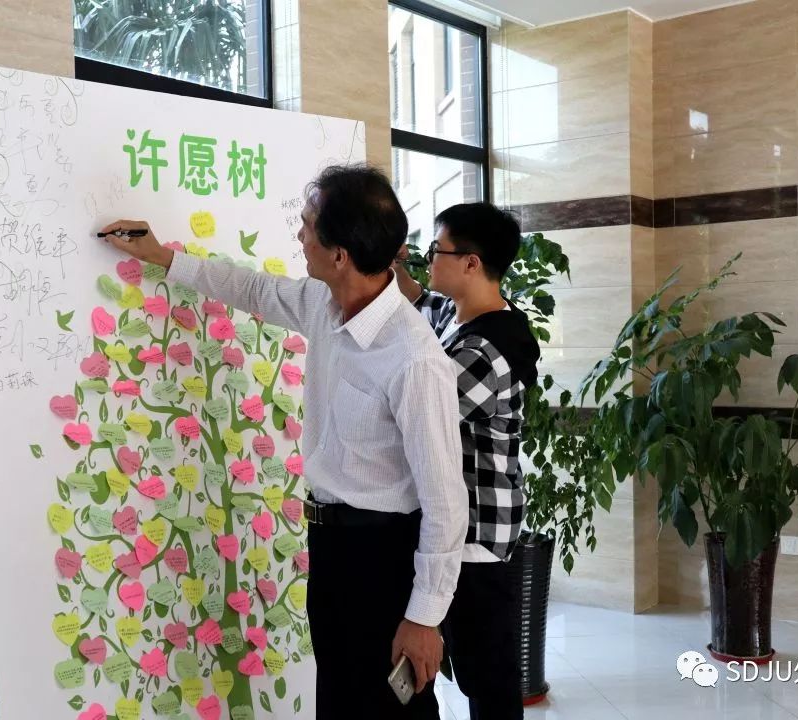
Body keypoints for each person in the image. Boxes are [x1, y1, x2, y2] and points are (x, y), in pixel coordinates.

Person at [98, 164, 466, 719]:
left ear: (339, 254)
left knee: (392, 708)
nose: (299, 234)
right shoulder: (325, 303)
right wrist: (162, 257)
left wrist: (424, 617)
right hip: (332, 546)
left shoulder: (413, 359)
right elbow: (253, 289)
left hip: (384, 558)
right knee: (340, 700)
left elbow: (446, 503)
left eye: (308, 224)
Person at [395, 202, 540, 720]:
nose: (428, 260)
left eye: (437, 251)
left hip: (477, 536)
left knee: (488, 680)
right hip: (461, 528)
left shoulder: (486, 350)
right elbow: (420, 299)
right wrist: (392, 266)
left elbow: (419, 413)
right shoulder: (460, 316)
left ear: (472, 263)